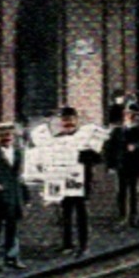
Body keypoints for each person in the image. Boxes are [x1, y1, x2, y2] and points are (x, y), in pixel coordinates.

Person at [0, 122, 27, 270]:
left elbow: (19, 176)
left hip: (14, 196)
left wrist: (24, 196)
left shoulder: (17, 153)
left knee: (13, 227)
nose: (6, 138)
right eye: (3, 135)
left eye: (9, 135)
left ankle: (12, 256)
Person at [55, 107, 95, 254]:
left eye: (70, 120)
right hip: (63, 182)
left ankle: (83, 244)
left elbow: (94, 159)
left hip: (80, 182)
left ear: (76, 121)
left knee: (81, 214)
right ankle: (67, 244)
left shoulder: (84, 139)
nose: (68, 123)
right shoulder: (57, 139)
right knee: (65, 214)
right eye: (65, 120)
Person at [105, 104, 139, 227]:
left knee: (133, 191)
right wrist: (110, 165)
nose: (131, 117)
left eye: (134, 115)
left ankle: (133, 215)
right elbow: (109, 149)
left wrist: (136, 146)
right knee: (121, 191)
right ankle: (122, 215)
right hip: (121, 165)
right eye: (129, 114)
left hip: (134, 164)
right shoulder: (117, 131)